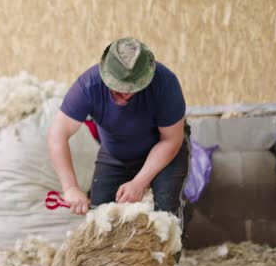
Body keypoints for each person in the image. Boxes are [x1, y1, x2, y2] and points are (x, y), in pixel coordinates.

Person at [47, 37, 189, 223]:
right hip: (115, 152)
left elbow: (171, 140)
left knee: (166, 213)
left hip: (163, 149)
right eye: (116, 88)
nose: (122, 96)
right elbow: (57, 136)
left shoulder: (165, 83)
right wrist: (70, 188)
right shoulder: (89, 86)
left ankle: (174, 237)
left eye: (130, 89)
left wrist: (139, 182)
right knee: (101, 216)